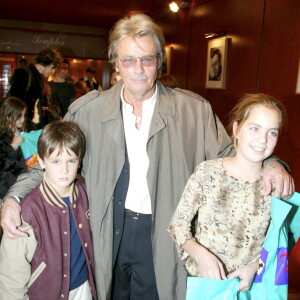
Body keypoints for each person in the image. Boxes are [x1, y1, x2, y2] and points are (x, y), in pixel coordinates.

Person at [0, 14, 294, 300]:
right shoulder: (87, 112)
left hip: (164, 237)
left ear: (159, 62)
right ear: (116, 63)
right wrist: (13, 198)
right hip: (104, 233)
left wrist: (272, 163)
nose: (138, 69)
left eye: (147, 59)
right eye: (128, 60)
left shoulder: (194, 112)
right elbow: (47, 165)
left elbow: (234, 157)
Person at [168, 93, 287, 294]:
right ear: (236, 129)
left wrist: (255, 266)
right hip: (204, 285)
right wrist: (200, 255)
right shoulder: (207, 172)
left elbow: (278, 243)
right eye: (254, 128)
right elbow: (177, 225)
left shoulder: (275, 186)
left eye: (272, 132)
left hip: (250, 287)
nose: (262, 139)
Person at [0, 121, 97, 300]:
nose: (64, 169)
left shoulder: (85, 192)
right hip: (46, 293)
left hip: (84, 287)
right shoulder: (29, 210)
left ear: (79, 161)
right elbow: (11, 276)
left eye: (71, 161)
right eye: (55, 161)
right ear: (42, 161)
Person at [7, 47, 63, 129]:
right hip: (21, 126)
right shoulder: (23, 73)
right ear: (51, 64)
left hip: (32, 126)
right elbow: (16, 102)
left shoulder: (40, 78)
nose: (52, 72)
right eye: (54, 69)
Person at [0, 97, 27, 202]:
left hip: (20, 185)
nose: (23, 119)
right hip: (6, 190)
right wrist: (14, 147)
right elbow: (3, 165)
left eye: (24, 115)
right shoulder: (2, 137)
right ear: (8, 116)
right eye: (19, 116)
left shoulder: (20, 132)